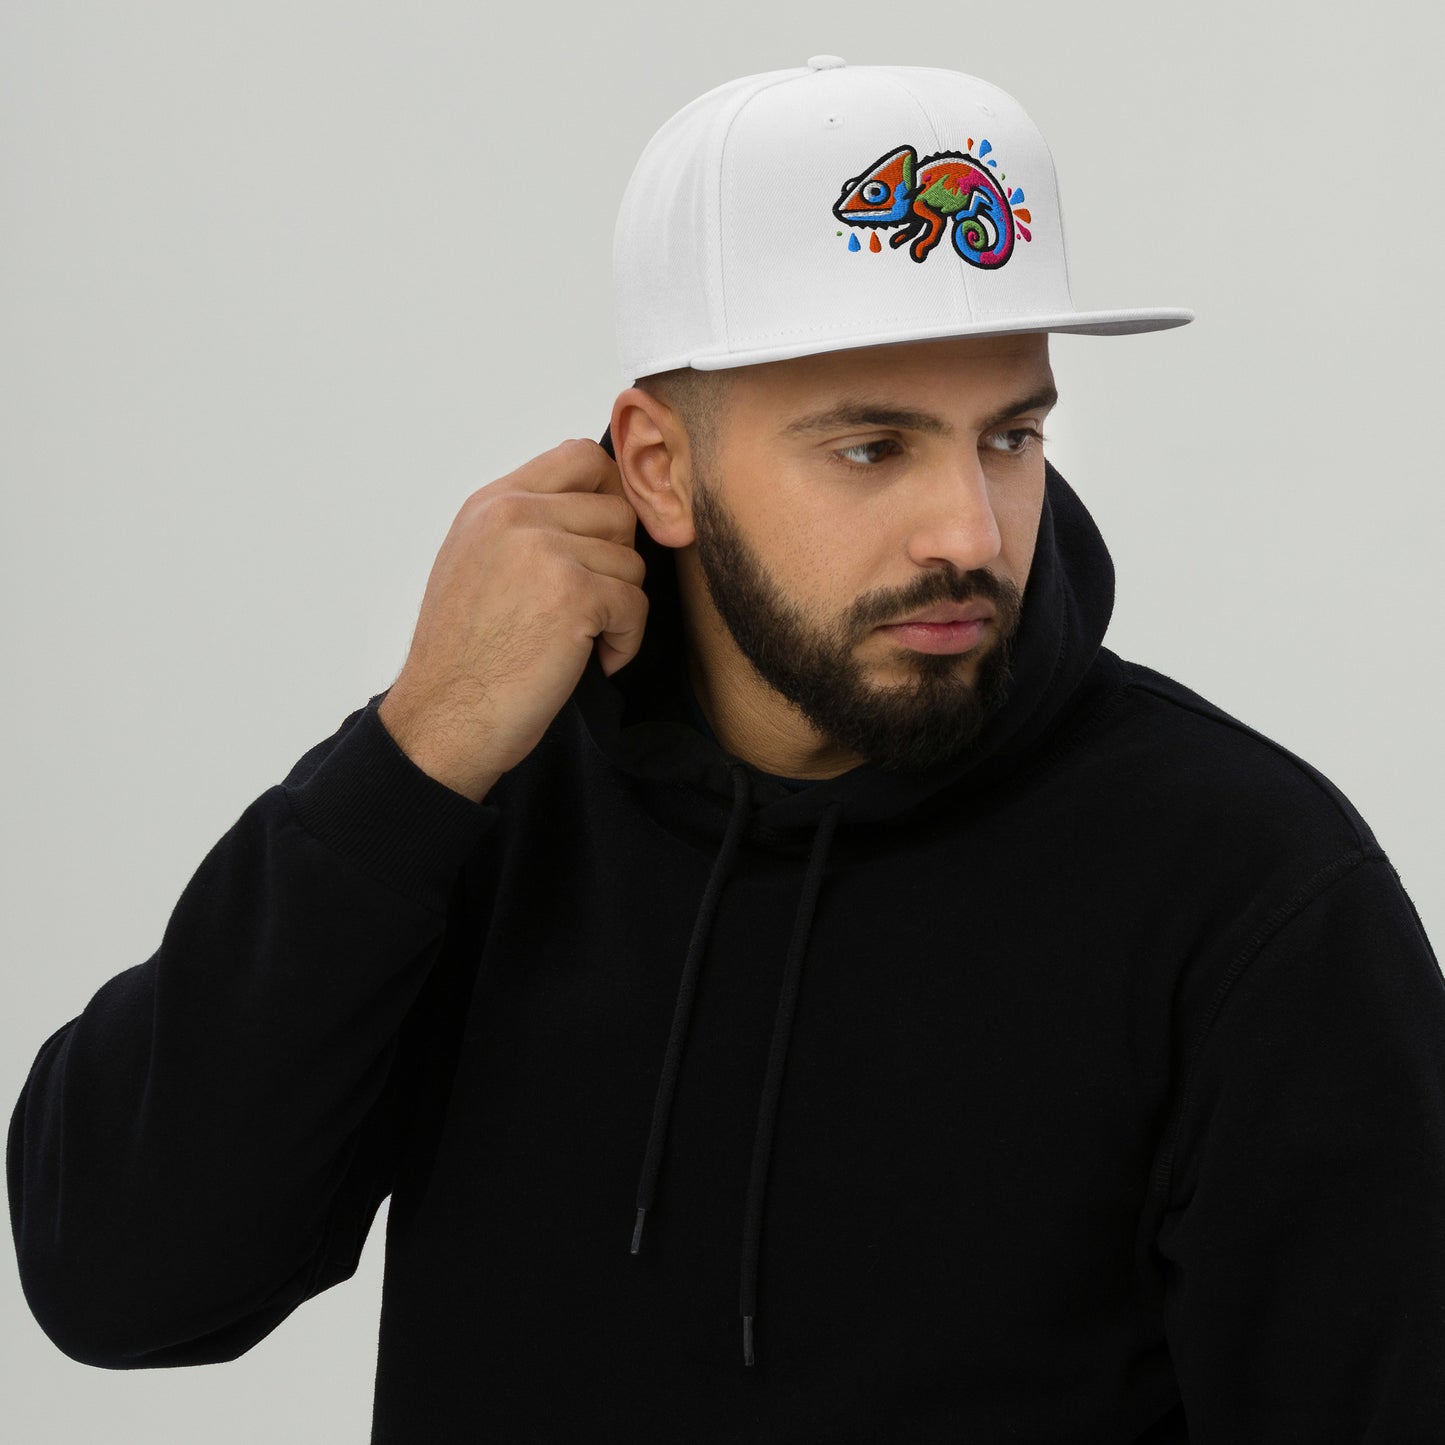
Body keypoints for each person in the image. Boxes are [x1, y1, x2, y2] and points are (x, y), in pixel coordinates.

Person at [9, 56, 1445, 1444]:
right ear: (659, 468)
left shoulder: (1246, 887)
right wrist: (415, 750)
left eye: (1008, 436)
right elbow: (120, 1280)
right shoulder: (480, 801)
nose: (967, 529)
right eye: (872, 448)